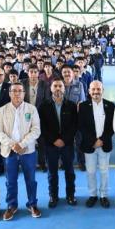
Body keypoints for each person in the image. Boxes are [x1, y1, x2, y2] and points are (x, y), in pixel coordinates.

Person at [0, 83, 42, 220]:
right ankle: (11, 206)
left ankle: (32, 204)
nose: (17, 93)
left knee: (31, 180)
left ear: (24, 93)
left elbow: (36, 130)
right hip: (9, 151)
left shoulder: (31, 109)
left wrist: (22, 144)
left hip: (28, 151)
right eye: (14, 91)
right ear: (9, 93)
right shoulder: (2, 110)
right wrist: (13, 145)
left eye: (20, 91)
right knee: (10, 181)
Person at [39, 77, 79, 207]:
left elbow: (74, 126)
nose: (57, 89)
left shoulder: (71, 105)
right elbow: (42, 127)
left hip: (67, 144)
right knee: (52, 172)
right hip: (51, 145)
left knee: (69, 171)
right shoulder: (43, 106)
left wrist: (64, 140)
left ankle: (70, 195)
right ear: (50, 89)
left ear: (64, 88)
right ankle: (53, 196)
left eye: (60, 86)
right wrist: (54, 140)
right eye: (55, 86)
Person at [78, 80, 115, 208]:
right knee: (91, 171)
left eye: (98, 89)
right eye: (93, 89)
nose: (96, 92)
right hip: (90, 145)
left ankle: (104, 195)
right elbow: (81, 127)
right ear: (89, 91)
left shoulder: (110, 106)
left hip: (104, 145)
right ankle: (93, 195)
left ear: (102, 90)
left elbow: (112, 127)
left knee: (104, 171)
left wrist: (102, 140)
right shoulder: (82, 106)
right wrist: (93, 141)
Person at [22, 64, 51, 171]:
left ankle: (42, 163)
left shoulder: (45, 84)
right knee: (26, 140)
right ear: (28, 73)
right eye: (31, 72)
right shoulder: (22, 83)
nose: (33, 74)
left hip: (40, 116)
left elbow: (47, 100)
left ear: (38, 73)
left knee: (42, 141)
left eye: (35, 72)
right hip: (25, 116)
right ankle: (28, 164)